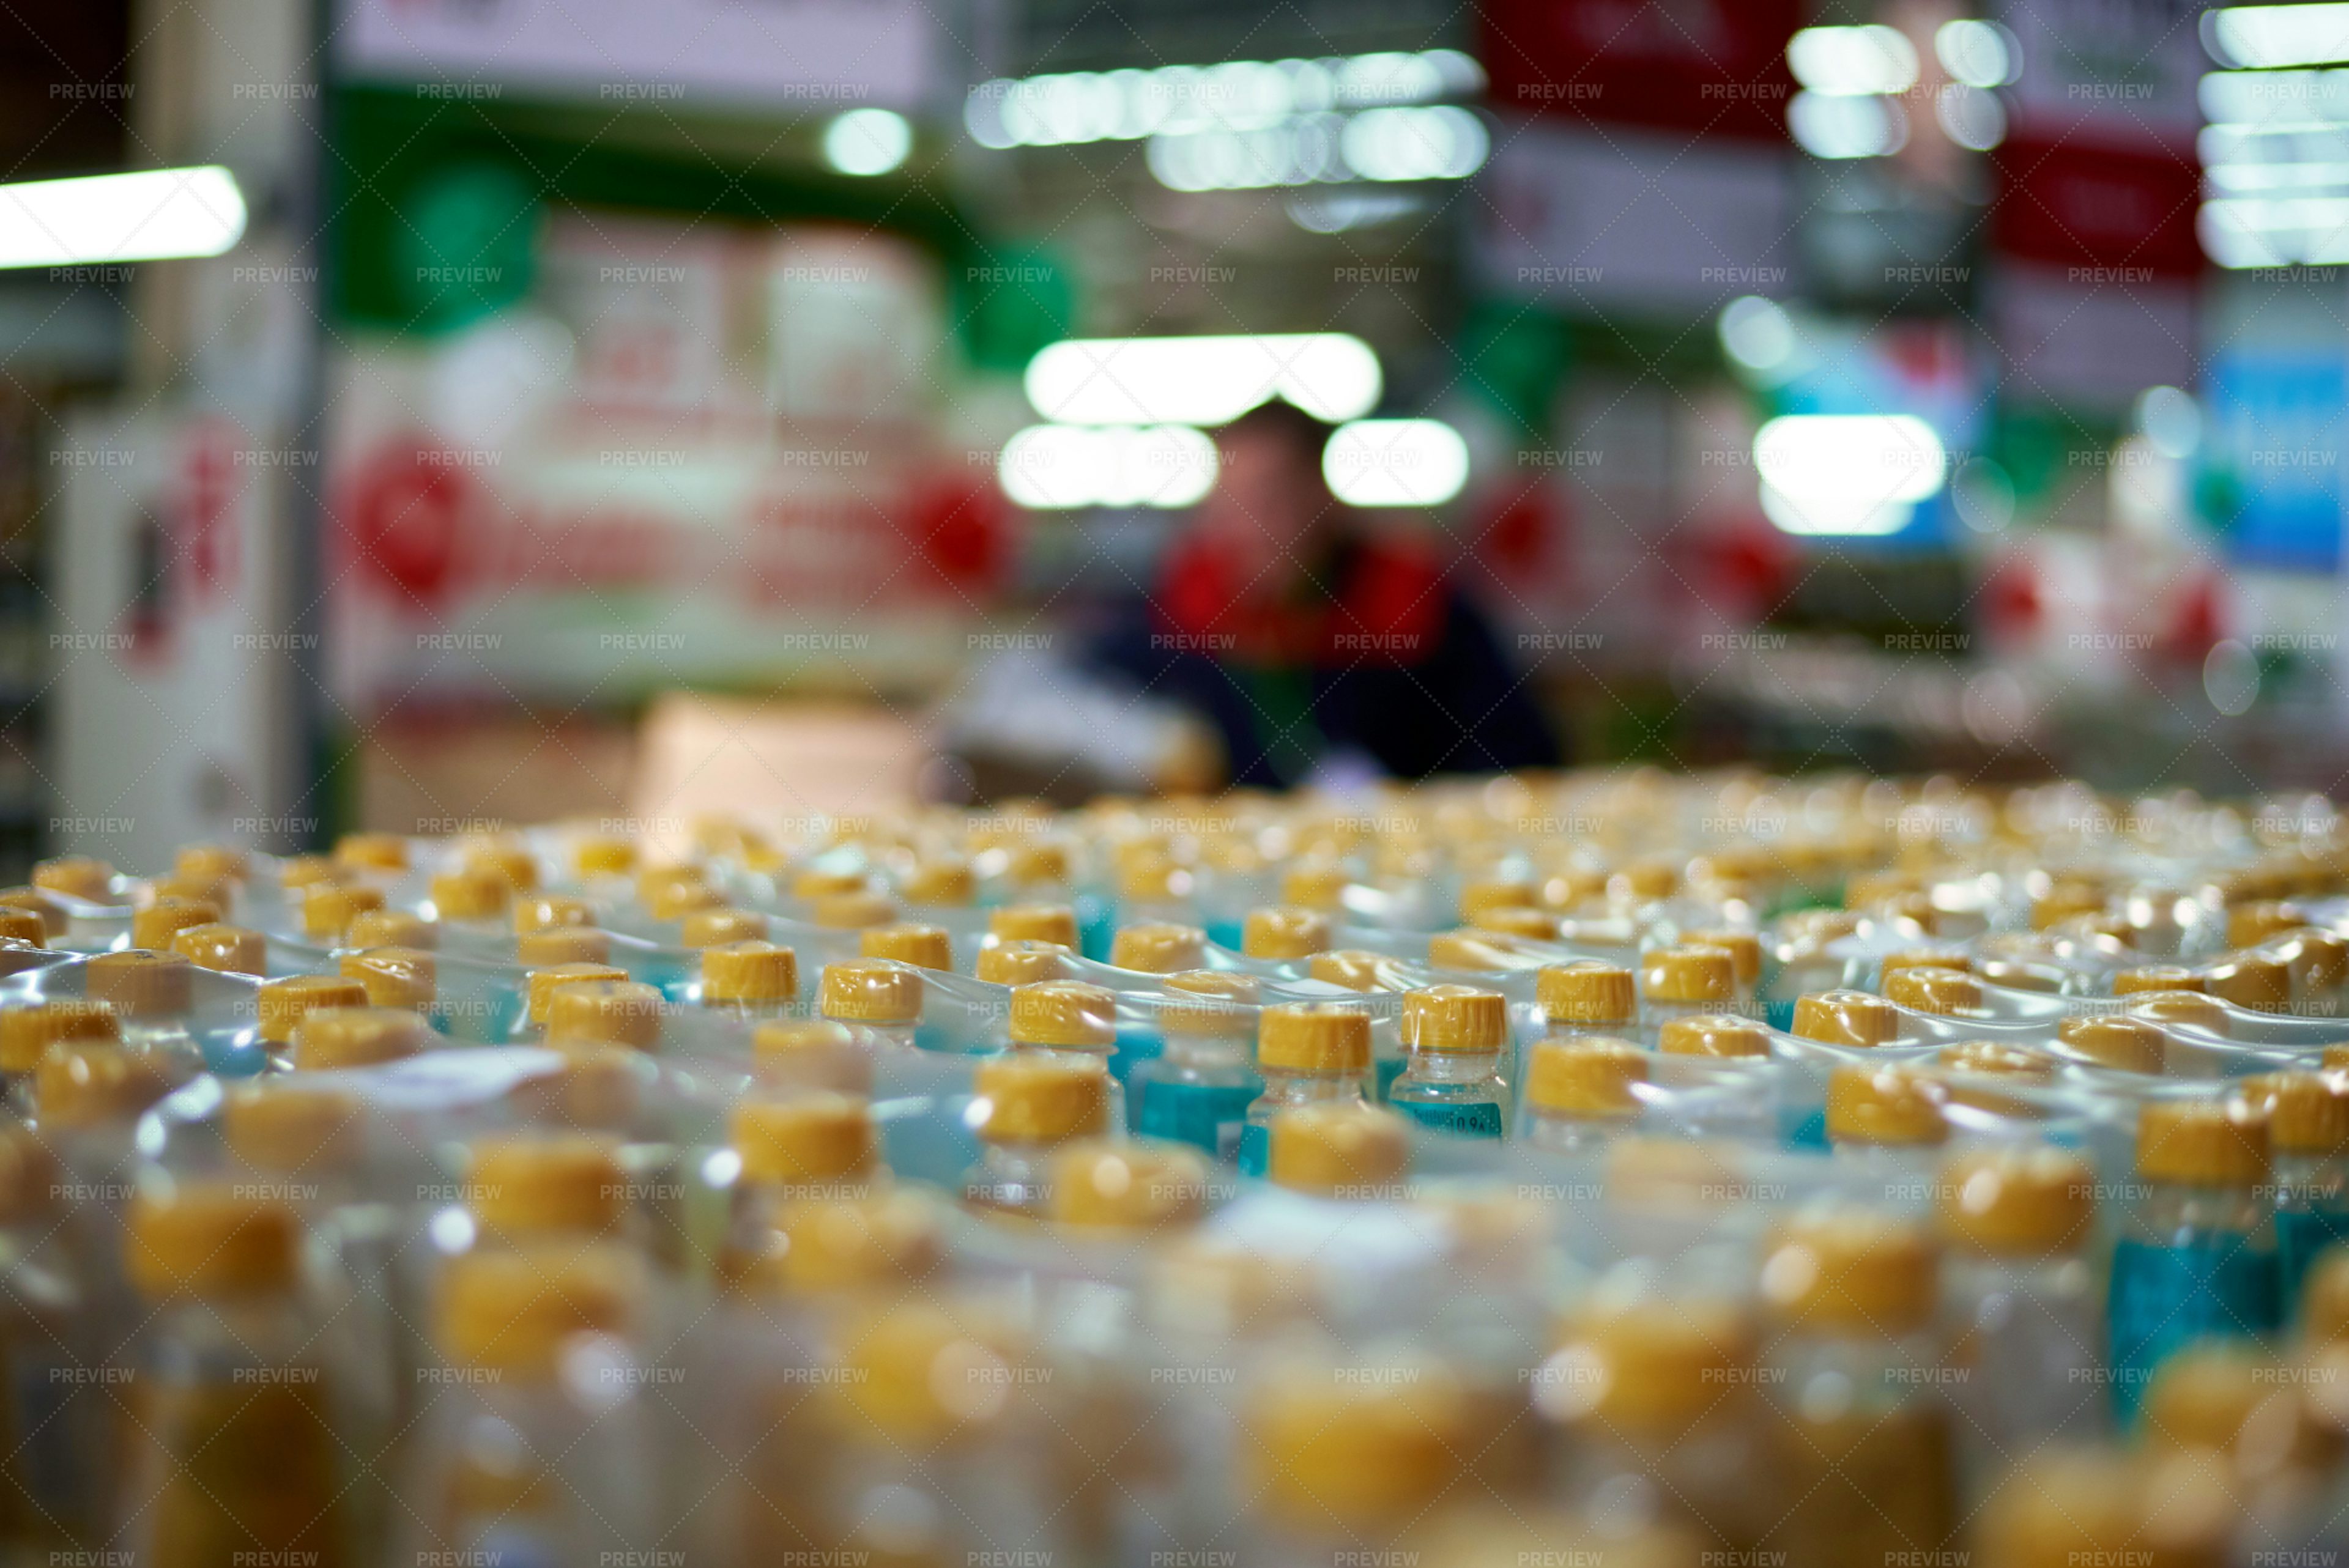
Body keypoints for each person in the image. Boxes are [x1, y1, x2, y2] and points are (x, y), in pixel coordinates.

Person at [1083, 401, 1560, 787]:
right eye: (1230, 506)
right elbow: (1064, 689)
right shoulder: (1181, 615)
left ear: (1324, 495)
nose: (1251, 527)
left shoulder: (1417, 604)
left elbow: (1523, 757)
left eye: (1273, 499)